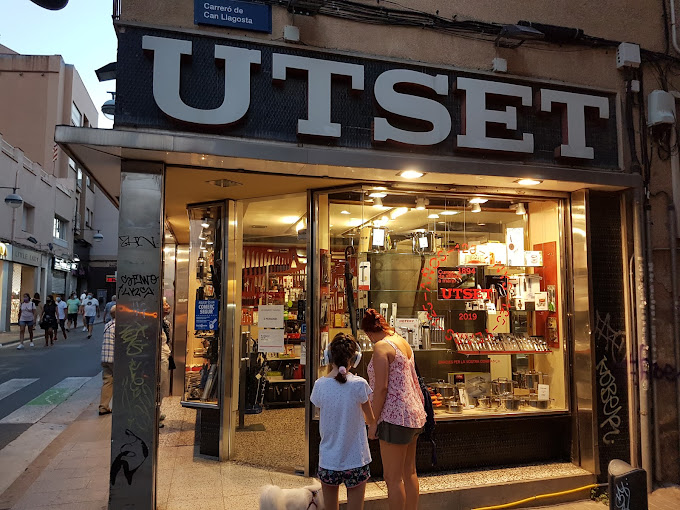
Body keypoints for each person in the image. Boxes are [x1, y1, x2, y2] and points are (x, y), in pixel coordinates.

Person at [362, 309, 426, 510]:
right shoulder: (401, 342)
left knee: (392, 477)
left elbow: (381, 388)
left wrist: (372, 421)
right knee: (410, 472)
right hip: (414, 413)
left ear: (369, 333)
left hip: (394, 417)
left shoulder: (381, 347)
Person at [310, 333, 375, 510]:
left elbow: (320, 410)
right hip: (356, 460)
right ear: (355, 358)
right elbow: (370, 419)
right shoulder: (359, 384)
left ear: (328, 357)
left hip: (328, 460)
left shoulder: (319, 385)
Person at [99, 305, 115, 415]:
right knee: (121, 381)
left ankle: (103, 407)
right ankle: (121, 405)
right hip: (114, 358)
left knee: (107, 382)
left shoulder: (108, 325)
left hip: (105, 358)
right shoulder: (119, 326)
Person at [159, 298, 172, 427]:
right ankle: (153, 416)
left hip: (165, 356)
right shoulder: (156, 323)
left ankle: (157, 411)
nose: (168, 306)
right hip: (159, 358)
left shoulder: (165, 322)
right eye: (165, 304)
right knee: (158, 386)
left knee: (163, 387)